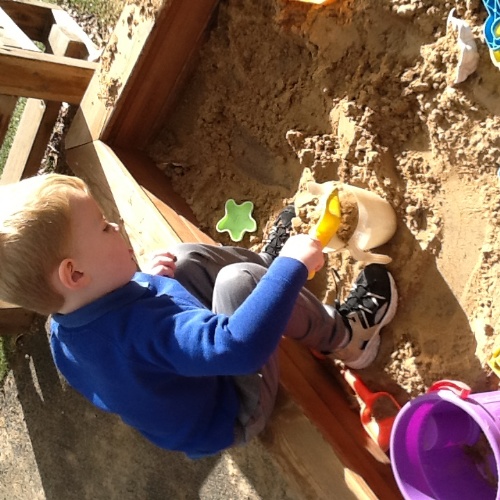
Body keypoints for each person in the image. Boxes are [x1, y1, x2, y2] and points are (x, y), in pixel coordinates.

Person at [0, 173, 397, 458]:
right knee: (240, 283)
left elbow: (123, 356)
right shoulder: (144, 331)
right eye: (104, 228)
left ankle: (268, 270)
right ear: (75, 274)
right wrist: (292, 267)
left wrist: (142, 280)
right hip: (232, 408)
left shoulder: (64, 331)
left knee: (185, 259)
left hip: (192, 381)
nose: (116, 225)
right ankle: (348, 337)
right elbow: (237, 348)